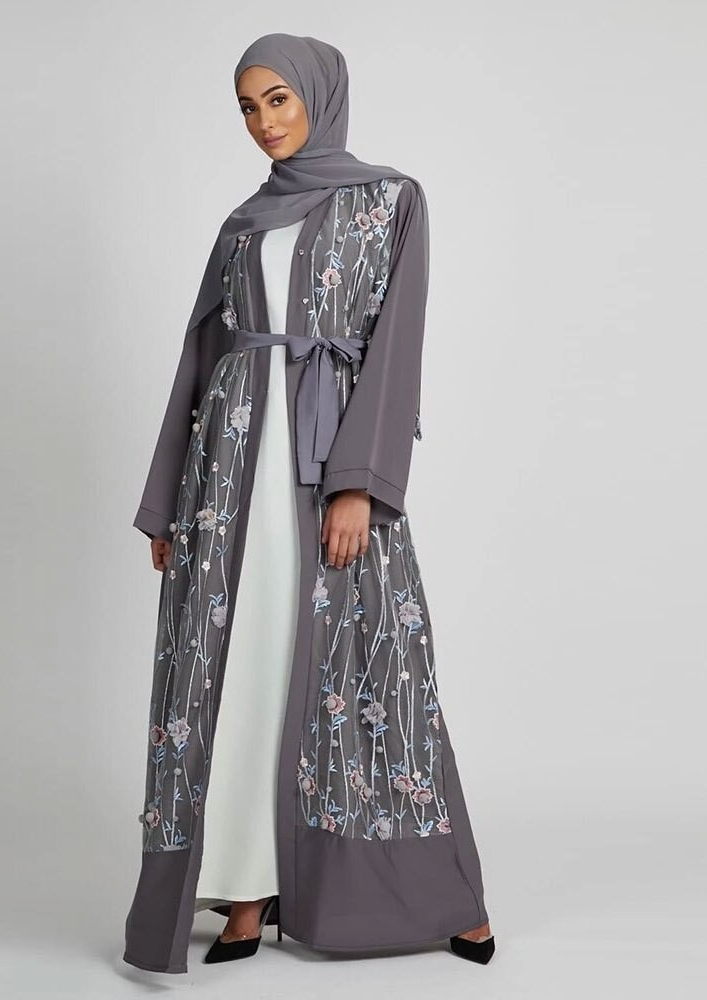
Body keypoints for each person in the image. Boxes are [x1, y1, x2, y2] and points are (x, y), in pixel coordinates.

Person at [123, 32, 495, 974]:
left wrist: (357, 483)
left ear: (319, 96)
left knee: (368, 672)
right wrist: (168, 502)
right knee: (238, 671)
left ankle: (433, 896)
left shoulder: (389, 200)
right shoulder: (242, 224)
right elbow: (200, 360)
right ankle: (244, 892)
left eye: (278, 100)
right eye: (248, 108)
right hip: (227, 482)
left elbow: (395, 348)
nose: (264, 123)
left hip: (322, 464)